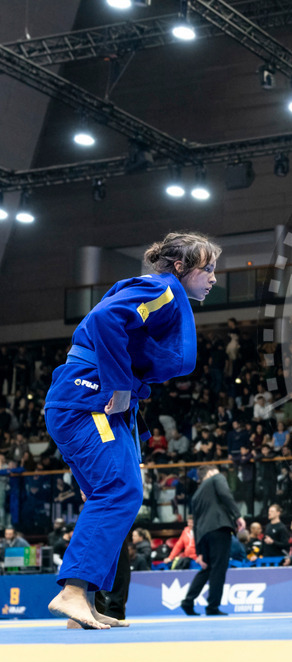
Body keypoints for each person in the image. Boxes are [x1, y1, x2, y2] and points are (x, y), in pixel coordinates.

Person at [44, 232, 220, 630]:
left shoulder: (163, 295)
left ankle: (83, 605)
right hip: (88, 398)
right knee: (120, 491)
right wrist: (120, 386)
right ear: (180, 267)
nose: (213, 278)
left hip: (95, 402)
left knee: (116, 496)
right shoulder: (161, 290)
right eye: (206, 269)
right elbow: (107, 319)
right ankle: (72, 592)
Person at [181, 465, 245, 616]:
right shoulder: (217, 477)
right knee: (219, 569)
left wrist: (199, 551)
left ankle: (188, 601)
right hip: (219, 528)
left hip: (204, 535)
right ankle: (212, 606)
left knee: (207, 568)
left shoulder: (196, 495)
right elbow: (225, 494)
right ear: (210, 472)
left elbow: (195, 523)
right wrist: (237, 515)